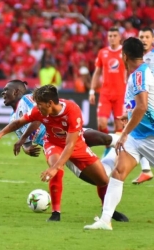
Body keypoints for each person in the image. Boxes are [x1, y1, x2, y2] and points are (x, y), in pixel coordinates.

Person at [0, 83, 128, 221]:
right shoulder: (38, 111)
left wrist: (54, 168)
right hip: (52, 142)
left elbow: (71, 144)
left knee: (103, 179)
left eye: (39, 104)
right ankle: (56, 213)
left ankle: (109, 209)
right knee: (56, 169)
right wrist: (1, 134)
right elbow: (18, 123)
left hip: (74, 143)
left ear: (50, 103)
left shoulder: (72, 110)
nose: (37, 108)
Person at [84, 37, 154, 230]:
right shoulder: (140, 73)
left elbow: (142, 106)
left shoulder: (138, 75)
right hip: (138, 136)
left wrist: (123, 134)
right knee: (118, 171)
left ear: (124, 55)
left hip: (150, 136)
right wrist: (128, 115)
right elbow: (140, 107)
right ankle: (105, 220)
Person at [88, 27, 126, 145]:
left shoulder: (125, 53)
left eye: (115, 35)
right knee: (101, 123)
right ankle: (109, 147)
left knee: (119, 125)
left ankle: (117, 151)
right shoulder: (102, 52)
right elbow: (97, 72)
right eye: (110, 36)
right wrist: (92, 91)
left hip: (121, 93)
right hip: (105, 93)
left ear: (120, 37)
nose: (112, 38)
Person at [130, 27, 154, 184]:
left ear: (152, 39)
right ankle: (146, 169)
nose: (144, 39)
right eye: (141, 37)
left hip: (150, 102)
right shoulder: (139, 59)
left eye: (147, 36)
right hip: (145, 102)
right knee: (139, 133)